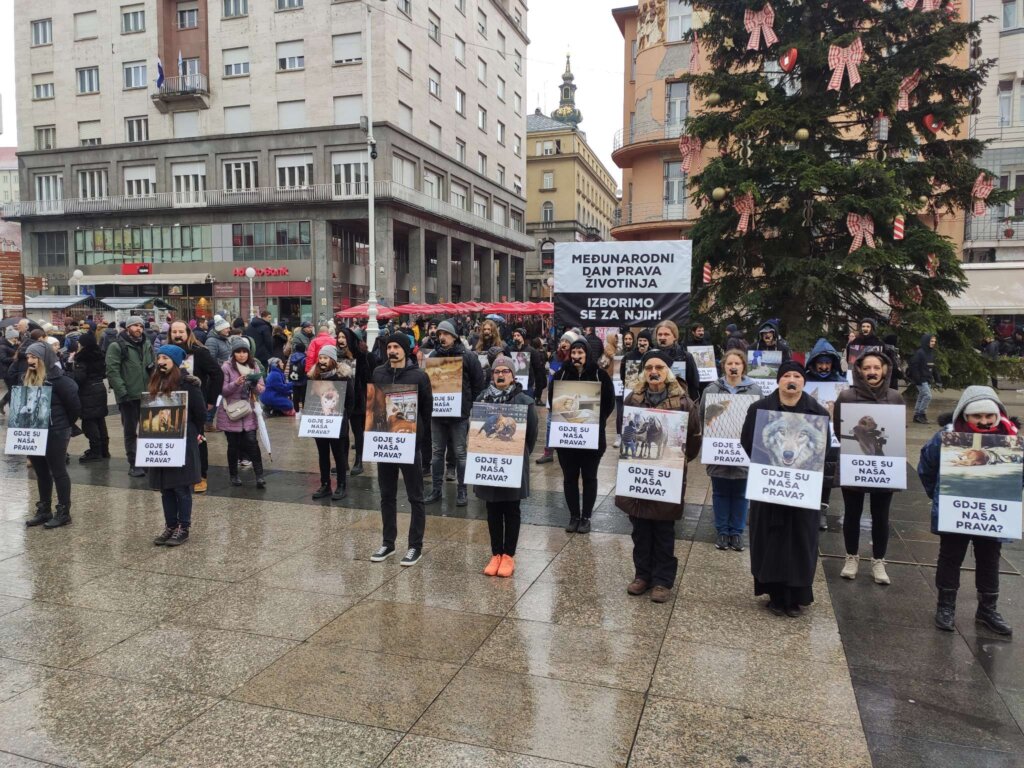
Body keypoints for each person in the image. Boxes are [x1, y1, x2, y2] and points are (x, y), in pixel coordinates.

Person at [918, 387, 1015, 636]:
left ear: (998, 416)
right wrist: (939, 496)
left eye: (989, 416)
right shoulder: (945, 438)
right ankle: (945, 606)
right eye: (977, 416)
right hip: (956, 512)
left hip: (992, 515)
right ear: (965, 415)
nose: (984, 421)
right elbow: (926, 467)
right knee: (950, 557)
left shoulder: (1010, 441)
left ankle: (987, 609)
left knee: (990, 559)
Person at [740, 361, 833, 617]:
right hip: (770, 486)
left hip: (802, 489)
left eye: (797, 376)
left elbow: (823, 450)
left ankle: (796, 595)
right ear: (779, 380)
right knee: (770, 538)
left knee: (800, 540)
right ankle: (774, 594)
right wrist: (769, 468)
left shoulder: (818, 413)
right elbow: (748, 441)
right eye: (787, 375)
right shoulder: (759, 409)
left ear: (803, 381)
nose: (792, 379)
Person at [616, 349, 702, 602]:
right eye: (650, 367)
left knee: (664, 530)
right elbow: (626, 433)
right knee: (640, 528)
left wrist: (677, 461)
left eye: (659, 368)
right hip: (639, 476)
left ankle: (663, 580)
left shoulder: (684, 402)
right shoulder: (633, 399)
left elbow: (694, 440)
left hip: (667, 476)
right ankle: (642, 575)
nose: (654, 372)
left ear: (668, 372)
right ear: (644, 372)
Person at [834, 351, 904, 585]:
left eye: (877, 367)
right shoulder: (846, 396)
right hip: (855, 464)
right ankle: (851, 556)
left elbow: (897, 432)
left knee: (881, 516)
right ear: (860, 371)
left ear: (885, 370)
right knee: (852, 514)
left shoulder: (895, 397)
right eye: (867, 368)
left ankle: (878, 560)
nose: (872, 372)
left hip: (884, 467)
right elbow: (838, 430)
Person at [369, 333, 432, 566]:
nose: (392, 350)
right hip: (385, 442)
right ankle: (388, 543)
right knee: (387, 495)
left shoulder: (419, 376)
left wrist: (420, 440)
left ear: (406, 350)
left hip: (409, 442)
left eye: (396, 347)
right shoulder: (378, 373)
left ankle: (415, 546)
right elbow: (373, 405)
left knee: (416, 496)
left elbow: (427, 410)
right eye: (389, 347)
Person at [476, 354, 538, 578]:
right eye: (496, 371)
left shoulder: (524, 401)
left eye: (505, 371)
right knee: (492, 508)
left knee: (511, 509)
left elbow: (531, 436)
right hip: (489, 464)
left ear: (513, 376)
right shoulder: (482, 398)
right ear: (491, 375)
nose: (500, 375)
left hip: (512, 462)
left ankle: (509, 555)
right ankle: (496, 554)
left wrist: (517, 455)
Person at [552, 338, 614, 533]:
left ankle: (586, 517)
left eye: (580, 353)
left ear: (587, 354)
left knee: (590, 477)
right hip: (567, 438)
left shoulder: (600, 375)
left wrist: (597, 421)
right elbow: (553, 402)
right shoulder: (560, 375)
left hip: (592, 437)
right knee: (569, 478)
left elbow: (608, 403)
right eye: (574, 353)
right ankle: (573, 516)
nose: (577, 357)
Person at [701, 349, 760, 551]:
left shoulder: (755, 390)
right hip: (719, 449)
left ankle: (736, 533)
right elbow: (703, 417)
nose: (733, 367)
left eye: (737, 363)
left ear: (743, 366)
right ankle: (722, 532)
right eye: (729, 364)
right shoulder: (711, 390)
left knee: (742, 493)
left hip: (743, 451)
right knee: (720, 492)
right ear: (723, 366)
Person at [147, 345, 206, 547]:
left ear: (175, 361)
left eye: (165, 357)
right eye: (159, 357)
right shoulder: (156, 380)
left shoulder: (188, 384)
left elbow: (200, 413)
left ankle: (183, 527)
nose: (161, 361)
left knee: (181, 486)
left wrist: (194, 432)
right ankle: (170, 525)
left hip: (182, 437)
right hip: (160, 437)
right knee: (166, 488)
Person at [425, 320, 485, 506]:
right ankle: (436, 490)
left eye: (446, 334)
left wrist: (466, 406)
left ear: (454, 336)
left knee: (460, 453)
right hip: (438, 414)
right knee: (437, 453)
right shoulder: (434, 355)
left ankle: (462, 491)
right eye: (439, 334)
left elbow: (478, 384)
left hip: (459, 415)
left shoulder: (468, 356)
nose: (442, 337)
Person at [22, 342, 80, 529]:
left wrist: (64, 425)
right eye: (28, 357)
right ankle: (44, 508)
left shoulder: (61, 381)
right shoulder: (27, 378)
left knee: (58, 471)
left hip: (56, 431)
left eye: (34, 357)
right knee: (41, 471)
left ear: (44, 359)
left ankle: (63, 511)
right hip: (35, 431)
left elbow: (74, 408)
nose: (30, 361)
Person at [168, 320, 223, 493]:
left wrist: (211, 400)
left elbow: (217, 374)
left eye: (181, 331)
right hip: (171, 404)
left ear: (188, 333)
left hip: (195, 404)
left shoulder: (200, 352)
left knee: (198, 439)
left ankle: (201, 475)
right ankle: (173, 475)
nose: (177, 335)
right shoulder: (165, 353)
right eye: (174, 332)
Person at [105, 316, 154, 478]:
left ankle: (147, 459)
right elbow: (112, 371)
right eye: (135, 325)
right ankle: (134, 463)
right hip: (128, 395)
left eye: (141, 325)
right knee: (130, 431)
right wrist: (122, 392)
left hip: (147, 394)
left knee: (148, 430)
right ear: (127, 328)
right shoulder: (117, 346)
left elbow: (151, 366)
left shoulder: (146, 344)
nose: (139, 328)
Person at [217, 337, 267, 488]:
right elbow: (223, 390)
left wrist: (254, 385)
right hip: (231, 412)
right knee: (233, 445)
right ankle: (234, 475)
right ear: (233, 353)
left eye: (244, 351)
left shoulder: (254, 366)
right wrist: (236, 383)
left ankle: (259, 475)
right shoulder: (226, 367)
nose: (241, 355)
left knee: (252, 442)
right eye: (238, 352)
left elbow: (261, 388)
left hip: (248, 411)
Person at [309, 346, 354, 501]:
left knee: (339, 454)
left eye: (325, 358)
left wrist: (343, 416)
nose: (322, 361)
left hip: (337, 422)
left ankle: (341, 485)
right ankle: (325, 484)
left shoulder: (342, 378)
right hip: (320, 421)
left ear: (332, 360)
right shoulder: (314, 376)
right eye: (320, 358)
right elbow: (309, 398)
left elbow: (350, 400)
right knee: (323, 454)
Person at [536, 330, 581, 465]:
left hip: (569, 396)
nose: (564, 343)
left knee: (569, 424)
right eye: (562, 341)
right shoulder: (555, 356)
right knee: (550, 424)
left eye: (567, 341)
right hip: (555, 395)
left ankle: (570, 452)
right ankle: (548, 452)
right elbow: (551, 376)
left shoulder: (576, 358)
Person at [71, 330, 110, 463]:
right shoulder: (100, 354)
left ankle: (95, 451)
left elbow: (79, 378)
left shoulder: (82, 357)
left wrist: (70, 370)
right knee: (100, 420)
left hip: (87, 392)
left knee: (89, 422)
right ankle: (104, 450)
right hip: (100, 388)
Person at [339, 327, 369, 475]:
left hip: (357, 399)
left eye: (344, 337)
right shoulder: (336, 355)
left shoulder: (361, 356)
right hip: (341, 400)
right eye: (339, 337)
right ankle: (343, 462)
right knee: (343, 432)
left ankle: (359, 461)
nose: (340, 340)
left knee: (358, 431)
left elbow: (367, 379)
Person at [652, 320, 701, 397]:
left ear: (674, 336)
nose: (662, 337)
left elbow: (694, 384)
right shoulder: (650, 356)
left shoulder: (685, 356)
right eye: (660, 334)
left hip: (679, 402)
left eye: (666, 334)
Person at [909, 334, 941, 424]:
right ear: (926, 341)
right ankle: (921, 414)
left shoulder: (931, 353)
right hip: (921, 380)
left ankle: (917, 416)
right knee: (927, 396)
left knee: (921, 396)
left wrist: (938, 379)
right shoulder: (920, 353)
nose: (933, 343)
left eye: (934, 341)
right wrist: (918, 379)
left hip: (927, 379)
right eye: (931, 341)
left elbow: (934, 368)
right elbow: (914, 367)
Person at [286, 342, 308, 414]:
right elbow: (306, 369)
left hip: (294, 380)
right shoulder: (305, 358)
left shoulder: (292, 357)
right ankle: (304, 411)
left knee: (295, 397)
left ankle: (296, 412)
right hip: (303, 380)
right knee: (304, 397)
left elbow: (289, 368)